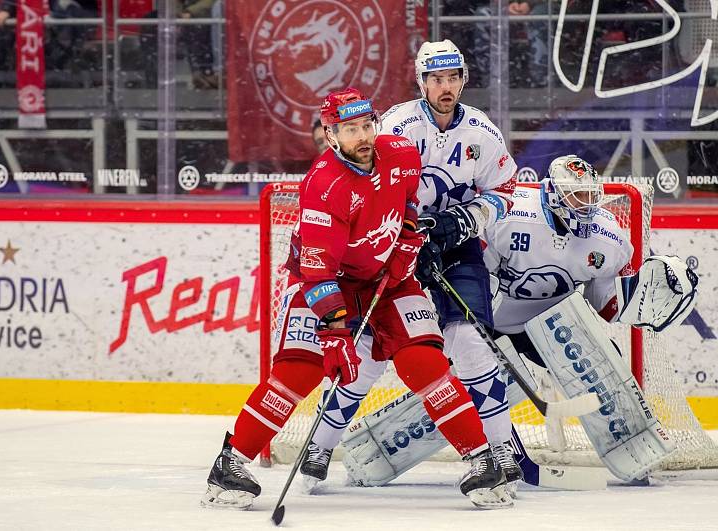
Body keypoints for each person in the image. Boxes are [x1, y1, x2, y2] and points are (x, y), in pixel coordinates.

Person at [201, 87, 510, 510]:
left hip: (388, 283)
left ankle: (482, 460)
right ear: (331, 135)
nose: (362, 136)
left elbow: (406, 207)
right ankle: (230, 463)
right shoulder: (324, 187)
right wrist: (333, 334)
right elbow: (316, 271)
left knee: (424, 361)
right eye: (350, 129)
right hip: (329, 286)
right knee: (299, 372)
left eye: (367, 125)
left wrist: (405, 243)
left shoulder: (400, 152)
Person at [339, 154, 699, 486]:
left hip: (551, 323)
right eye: (576, 197)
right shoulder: (511, 217)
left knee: (605, 363)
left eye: (590, 196)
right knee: (482, 381)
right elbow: (473, 272)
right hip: (493, 318)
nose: (585, 206)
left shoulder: (608, 238)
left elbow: (603, 303)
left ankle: (634, 444)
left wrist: (640, 303)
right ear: (555, 194)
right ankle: (496, 453)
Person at [300, 39, 522, 492]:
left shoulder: (481, 131)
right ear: (421, 81)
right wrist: (406, 230)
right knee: (366, 355)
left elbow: (506, 189)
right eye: (436, 78)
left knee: (473, 347)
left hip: (457, 250)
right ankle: (319, 446)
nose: (445, 87)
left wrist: (465, 219)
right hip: (393, 249)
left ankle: (500, 451)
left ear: (463, 79)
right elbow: (364, 176)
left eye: (453, 77)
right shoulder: (395, 126)